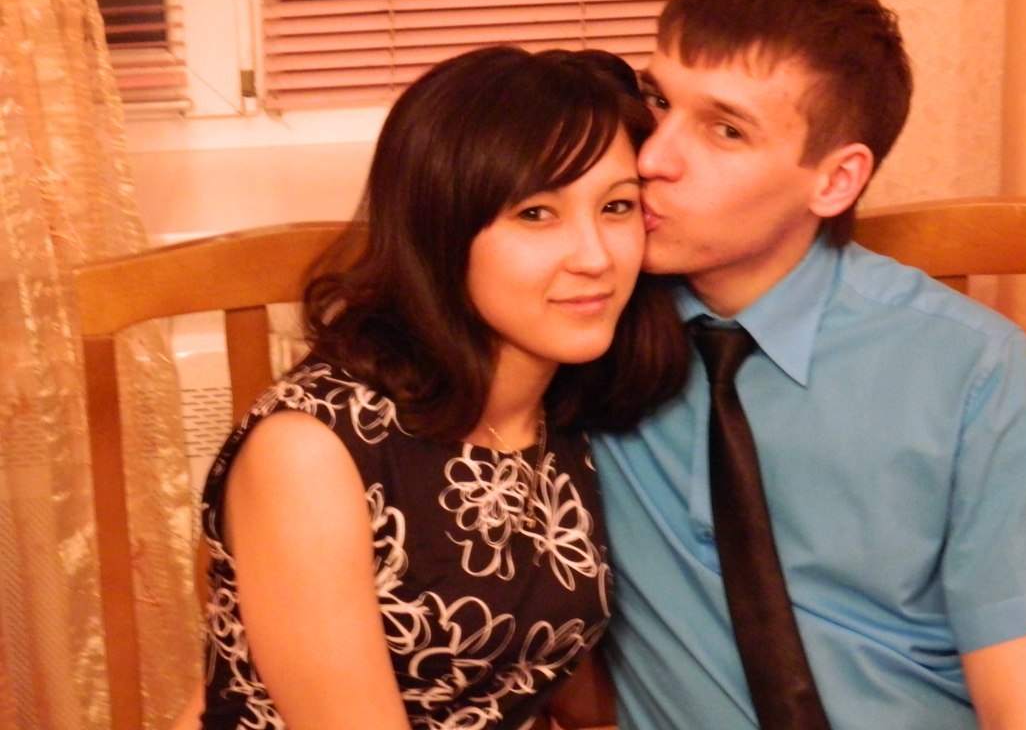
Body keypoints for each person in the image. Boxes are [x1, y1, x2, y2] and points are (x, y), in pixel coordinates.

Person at [591, 0, 1026, 729]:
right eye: (658, 100)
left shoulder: (971, 372)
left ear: (835, 181)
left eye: (726, 129)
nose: (653, 158)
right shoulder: (585, 328)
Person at [194, 46, 687, 730]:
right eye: (536, 214)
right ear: (440, 234)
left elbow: (558, 679)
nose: (596, 256)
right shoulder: (312, 452)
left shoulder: (561, 412)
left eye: (617, 206)